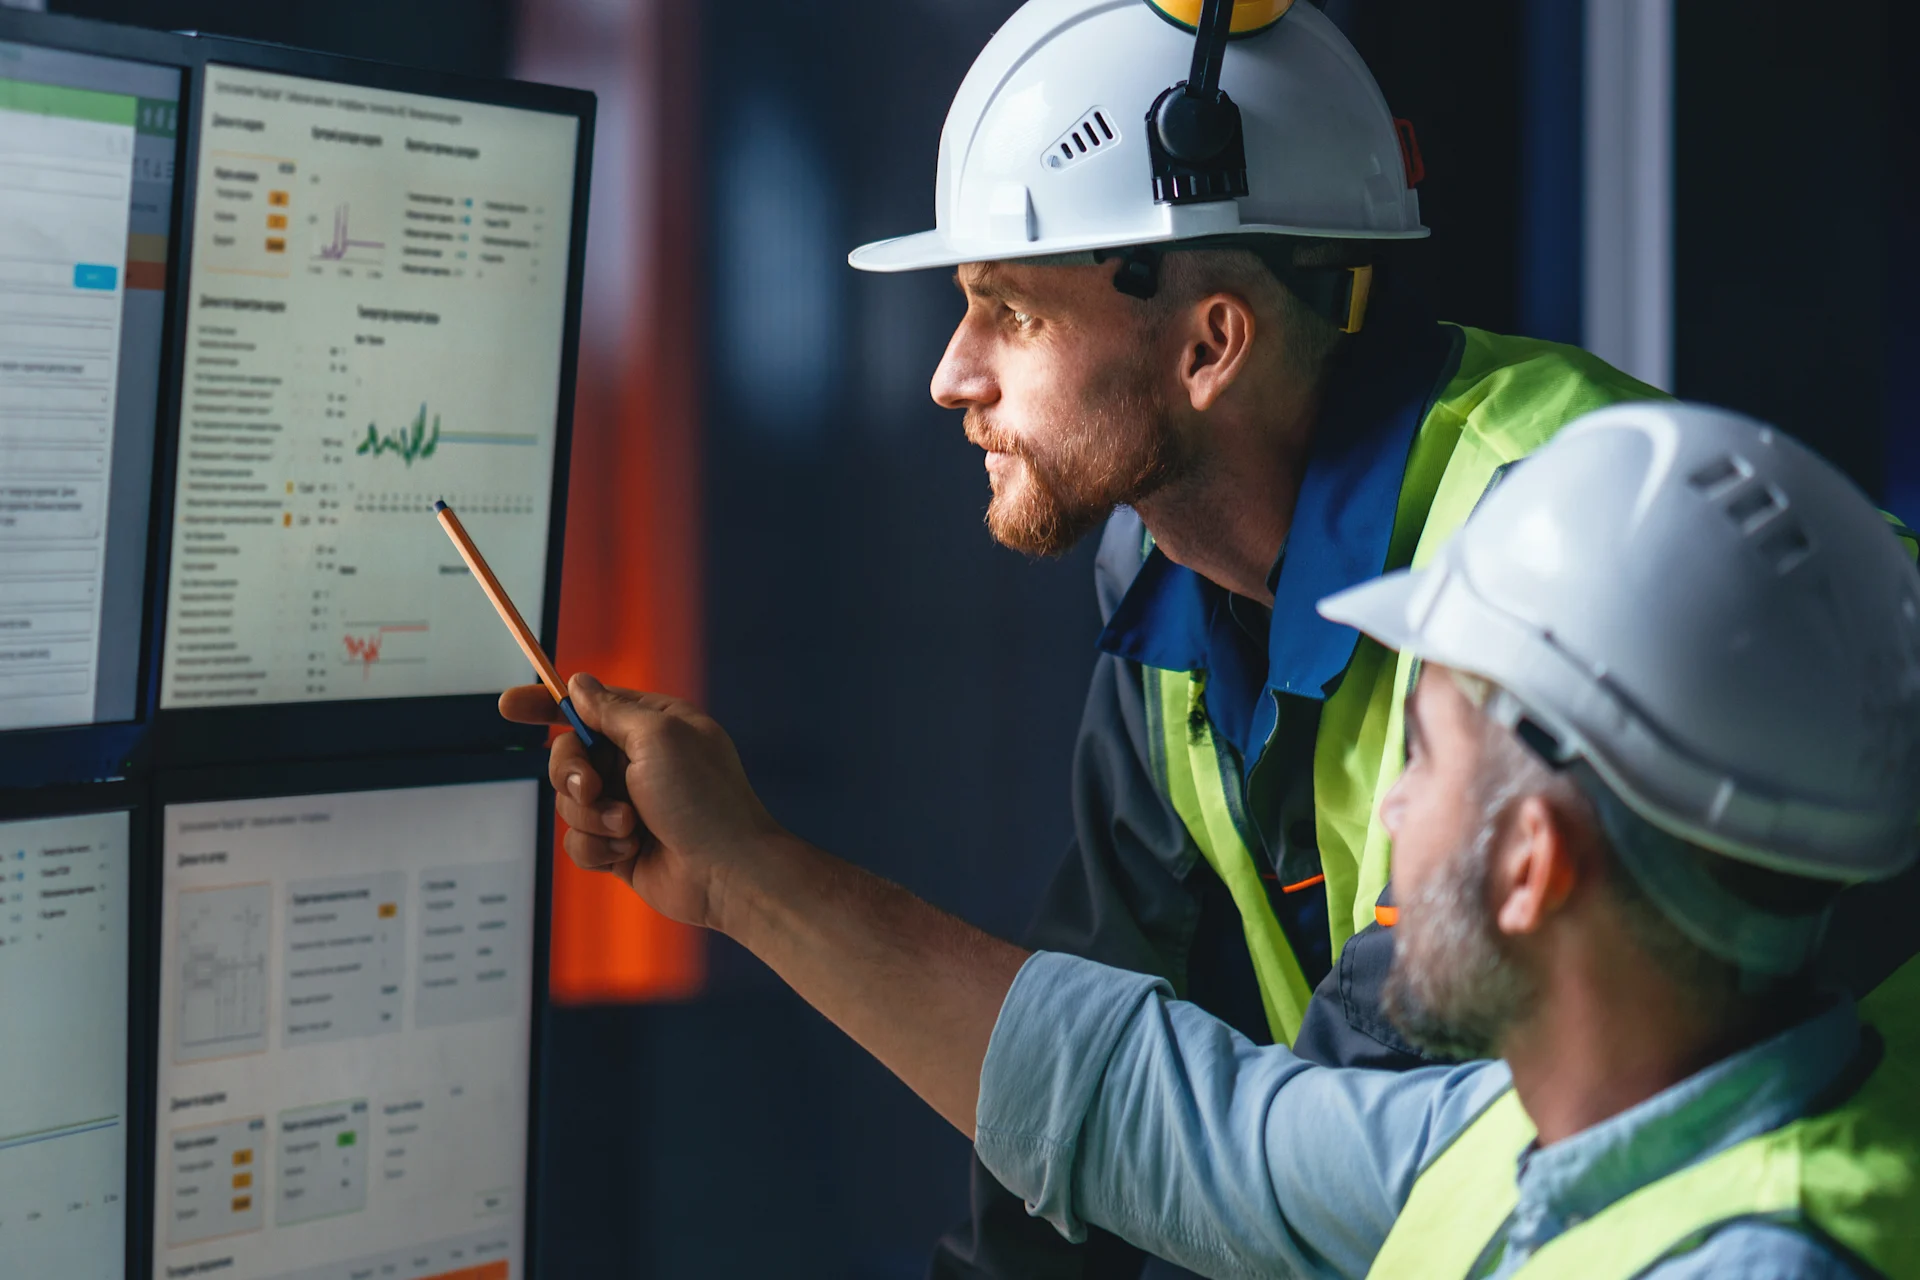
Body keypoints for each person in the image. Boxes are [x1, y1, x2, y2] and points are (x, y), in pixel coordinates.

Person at [505, 403, 1920, 1278]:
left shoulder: (1754, 1257)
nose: (1380, 808)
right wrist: (742, 875)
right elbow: (1163, 1120)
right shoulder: (1546, 1129)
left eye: (1416, 756)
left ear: (1533, 863)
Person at [849, 1, 1663, 1269]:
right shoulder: (1168, 587)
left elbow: (1313, 1138)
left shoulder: (1561, 538)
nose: (952, 374)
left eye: (1010, 312)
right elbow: (1096, 1043)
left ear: (1210, 342)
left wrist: (754, 874)